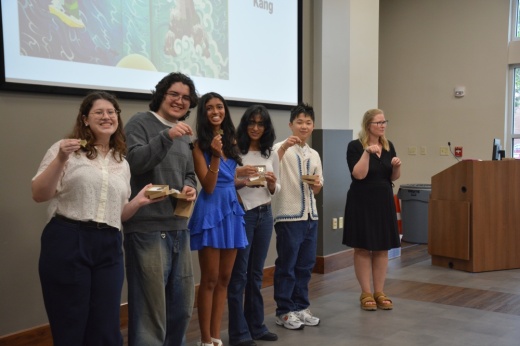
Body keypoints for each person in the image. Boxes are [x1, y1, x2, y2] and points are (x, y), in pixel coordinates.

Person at [32, 91, 160, 346]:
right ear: (85, 119)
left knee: (106, 326)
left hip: (109, 244)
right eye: (99, 112)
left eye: (111, 112)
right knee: (70, 323)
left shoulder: (121, 162)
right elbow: (39, 194)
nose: (106, 116)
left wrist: (139, 201)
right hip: (68, 239)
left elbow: (117, 214)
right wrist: (60, 159)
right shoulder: (64, 149)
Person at [123, 72, 199, 346]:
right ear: (161, 94)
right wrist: (166, 136)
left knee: (181, 308)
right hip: (146, 229)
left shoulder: (183, 133)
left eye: (186, 97)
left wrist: (191, 187)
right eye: (174, 94)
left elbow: (189, 174)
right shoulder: (139, 123)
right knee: (149, 312)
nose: (180, 101)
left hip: (179, 226)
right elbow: (134, 163)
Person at [188, 92, 248, 346]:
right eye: (210, 108)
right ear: (203, 112)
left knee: (225, 279)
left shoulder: (231, 140)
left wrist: (243, 181)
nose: (216, 111)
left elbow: (226, 181)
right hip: (211, 211)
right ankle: (204, 340)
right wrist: (213, 155)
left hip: (232, 210)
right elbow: (209, 186)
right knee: (210, 279)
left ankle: (215, 337)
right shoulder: (197, 145)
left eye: (220, 107)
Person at [227, 105, 280, 346]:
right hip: (243, 214)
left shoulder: (271, 153)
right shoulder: (235, 151)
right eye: (252, 123)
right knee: (239, 275)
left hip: (265, 214)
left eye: (261, 124)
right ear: (245, 124)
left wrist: (271, 184)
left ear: (266, 128)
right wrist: (244, 180)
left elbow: (276, 189)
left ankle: (256, 326)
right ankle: (239, 332)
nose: (256, 128)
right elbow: (225, 184)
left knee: (256, 274)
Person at [342, 108, 401, 311]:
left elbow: (392, 177)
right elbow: (358, 175)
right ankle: (366, 292)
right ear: (368, 125)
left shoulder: (388, 145)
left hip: (383, 200)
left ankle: (380, 291)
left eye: (385, 122)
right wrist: (367, 152)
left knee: (382, 247)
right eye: (379, 122)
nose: (383, 125)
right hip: (362, 200)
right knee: (362, 247)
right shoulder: (355, 146)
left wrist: (397, 166)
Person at [272, 103, 323, 330]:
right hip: (288, 216)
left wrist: (318, 184)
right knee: (287, 265)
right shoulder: (279, 149)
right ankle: (284, 311)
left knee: (305, 265)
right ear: (291, 124)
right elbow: (270, 168)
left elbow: (317, 188)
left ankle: (301, 307)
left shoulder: (314, 154)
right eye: (300, 122)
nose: (304, 126)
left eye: (308, 122)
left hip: (311, 216)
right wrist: (284, 147)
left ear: (313, 126)